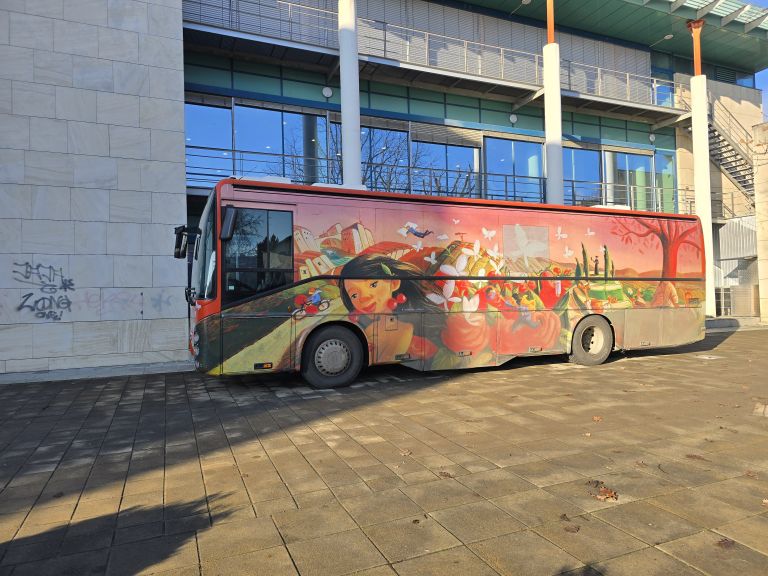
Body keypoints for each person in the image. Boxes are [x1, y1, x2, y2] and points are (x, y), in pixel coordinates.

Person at [338, 255, 443, 363]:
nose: (364, 298)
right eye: (354, 295)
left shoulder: (404, 329)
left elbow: (383, 361)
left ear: (394, 283)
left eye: (373, 285)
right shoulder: (370, 328)